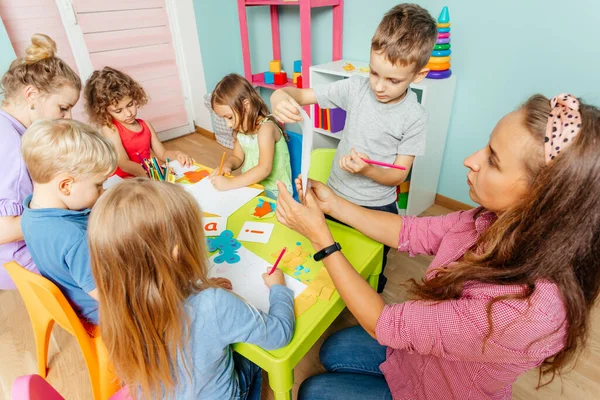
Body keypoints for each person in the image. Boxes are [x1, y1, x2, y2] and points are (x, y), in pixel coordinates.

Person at [276, 94, 600, 400]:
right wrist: (335, 206)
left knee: (313, 391)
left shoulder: (525, 310)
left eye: (493, 160)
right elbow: (412, 231)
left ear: (542, 200)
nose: (470, 160)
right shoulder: (492, 219)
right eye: (486, 146)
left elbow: (383, 324)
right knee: (335, 349)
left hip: (437, 391)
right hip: (414, 358)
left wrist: (322, 239)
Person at [270, 4, 438, 292]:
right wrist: (278, 96)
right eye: (374, 73)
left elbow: (399, 175)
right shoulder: (356, 88)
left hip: (376, 209)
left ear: (418, 75)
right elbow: (301, 94)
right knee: (325, 262)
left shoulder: (415, 117)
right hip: (332, 196)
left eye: (393, 80)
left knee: (368, 274)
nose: (379, 87)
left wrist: (369, 169)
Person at [88, 179, 295, 399]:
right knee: (251, 356)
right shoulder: (214, 304)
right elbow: (280, 334)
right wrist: (278, 289)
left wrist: (195, 289)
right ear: (178, 254)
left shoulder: (114, 304)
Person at [0, 33, 81, 289]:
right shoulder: (14, 145)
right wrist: (68, 209)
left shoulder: (13, 128)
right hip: (17, 261)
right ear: (32, 94)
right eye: (63, 108)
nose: (67, 118)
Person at [20, 119, 117, 324]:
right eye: (98, 185)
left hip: (75, 301)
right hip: (103, 313)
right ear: (66, 186)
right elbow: (109, 296)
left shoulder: (30, 212)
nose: (102, 191)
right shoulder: (75, 238)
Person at [84, 66, 193, 178]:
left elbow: (162, 153)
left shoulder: (146, 125)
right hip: (125, 180)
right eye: (118, 111)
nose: (128, 113)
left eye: (130, 104)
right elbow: (124, 163)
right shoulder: (110, 129)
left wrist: (177, 154)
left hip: (145, 175)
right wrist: (148, 173)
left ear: (135, 97)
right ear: (104, 111)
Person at [211, 73, 292, 199]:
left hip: (275, 191)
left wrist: (231, 183)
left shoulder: (266, 129)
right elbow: (237, 157)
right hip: (252, 186)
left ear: (246, 106)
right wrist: (228, 165)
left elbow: (264, 169)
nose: (228, 125)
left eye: (229, 117)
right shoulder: (241, 130)